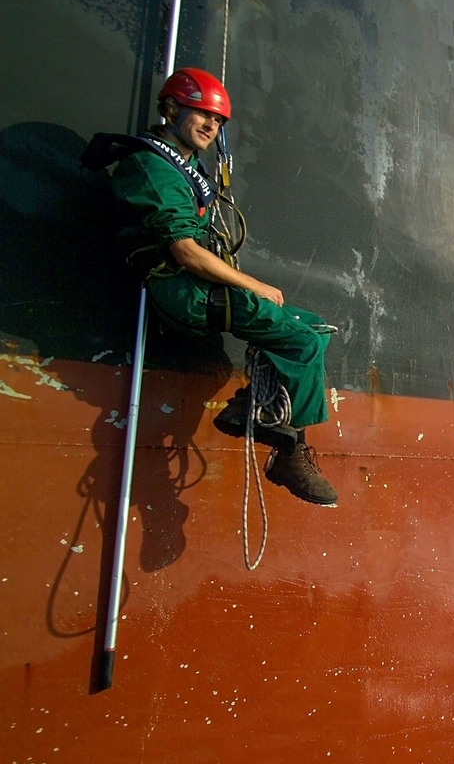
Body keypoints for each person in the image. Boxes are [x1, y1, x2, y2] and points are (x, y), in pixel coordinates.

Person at [110, 67, 338, 505]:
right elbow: (185, 252)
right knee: (303, 344)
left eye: (218, 121)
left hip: (198, 285)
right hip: (183, 290)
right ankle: (289, 450)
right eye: (202, 115)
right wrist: (254, 284)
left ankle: (253, 408)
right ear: (171, 108)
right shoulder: (150, 165)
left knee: (315, 328)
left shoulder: (185, 167)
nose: (212, 126)